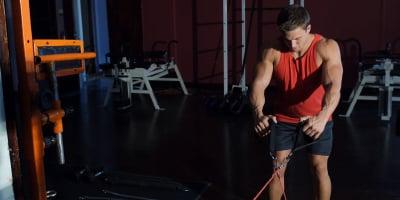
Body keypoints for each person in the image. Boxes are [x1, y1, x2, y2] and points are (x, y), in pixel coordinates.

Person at [250, 5, 343, 200]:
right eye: (287, 39)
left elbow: (334, 88)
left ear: (308, 29)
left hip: (317, 117)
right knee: (277, 170)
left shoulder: (326, 47)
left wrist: (322, 117)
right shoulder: (271, 50)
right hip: (283, 117)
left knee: (319, 167)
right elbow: (259, 85)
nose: (292, 45)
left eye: (297, 39)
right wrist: (258, 114)